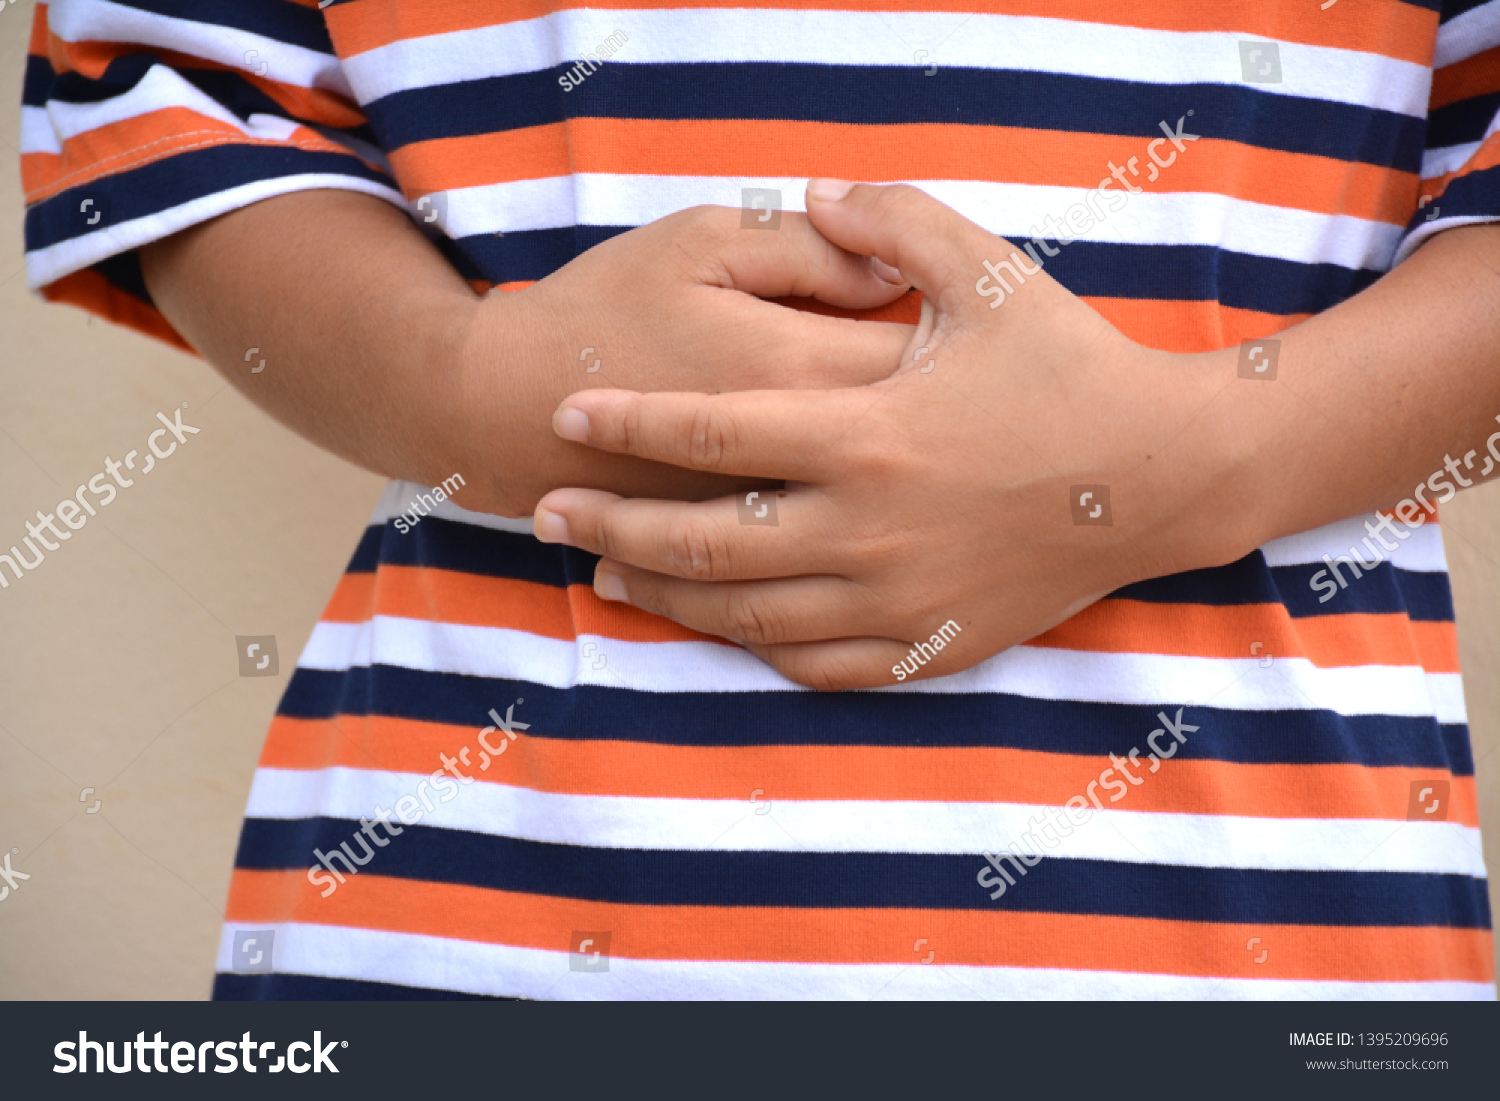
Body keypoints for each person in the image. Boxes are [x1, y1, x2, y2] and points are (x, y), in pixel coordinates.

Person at [22, 0, 1496, 998]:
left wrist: (1178, 467)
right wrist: (470, 383)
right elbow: (184, 95)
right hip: (469, 925)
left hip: (1261, 934)